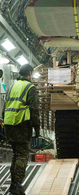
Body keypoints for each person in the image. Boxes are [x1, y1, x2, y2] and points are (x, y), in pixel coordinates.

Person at [3, 64, 40, 195]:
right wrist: (37, 128)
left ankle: (14, 183)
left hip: (9, 123)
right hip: (21, 124)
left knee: (16, 154)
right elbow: (34, 110)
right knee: (22, 154)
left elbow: (5, 106)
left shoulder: (12, 86)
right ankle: (17, 185)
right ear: (30, 73)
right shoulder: (30, 87)